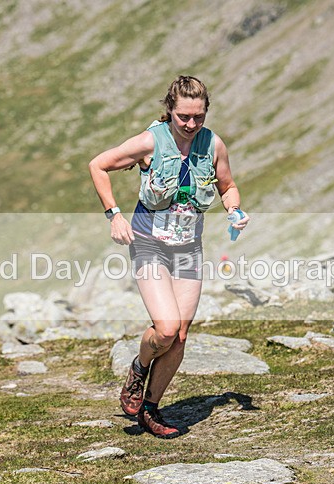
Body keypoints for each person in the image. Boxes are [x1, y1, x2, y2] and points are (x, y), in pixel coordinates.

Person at [88, 75, 250, 438]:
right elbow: (98, 165)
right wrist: (114, 215)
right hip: (149, 242)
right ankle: (139, 365)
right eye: (184, 117)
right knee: (165, 328)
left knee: (180, 335)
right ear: (170, 111)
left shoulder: (213, 145)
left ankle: (149, 409)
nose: (192, 125)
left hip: (188, 247)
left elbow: (227, 185)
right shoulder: (150, 142)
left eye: (199, 117)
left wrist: (234, 209)